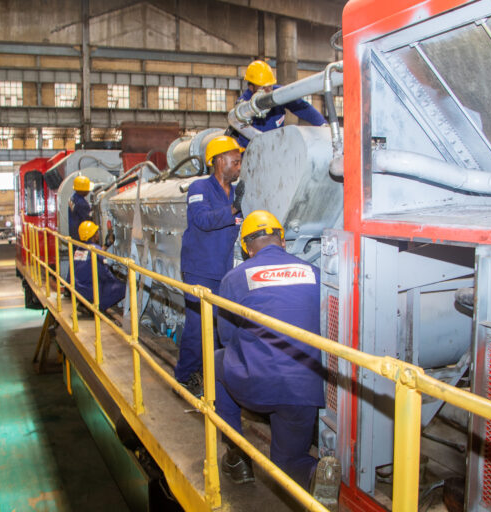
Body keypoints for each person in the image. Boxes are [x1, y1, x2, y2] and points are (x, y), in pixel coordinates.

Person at [214, 210, 340, 510]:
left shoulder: (234, 278)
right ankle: (313, 473)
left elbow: (227, 337)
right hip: (305, 389)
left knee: (217, 360)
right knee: (286, 462)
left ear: (246, 247)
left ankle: (237, 454)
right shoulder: (315, 272)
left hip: (257, 385)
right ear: (282, 240)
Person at [175, 135, 245, 397]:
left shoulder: (237, 191)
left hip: (226, 270)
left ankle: (214, 376)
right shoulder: (199, 189)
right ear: (218, 161)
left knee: (223, 328)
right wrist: (233, 210)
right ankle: (183, 376)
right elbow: (202, 220)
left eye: (240, 162)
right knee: (197, 327)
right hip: (200, 269)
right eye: (234, 161)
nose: (238, 166)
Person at [235, 60, 327, 148]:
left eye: (269, 86)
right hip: (251, 153)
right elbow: (246, 138)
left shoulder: (278, 94)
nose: (268, 91)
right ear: (251, 87)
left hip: (276, 149)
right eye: (263, 88)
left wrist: (322, 124)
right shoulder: (243, 107)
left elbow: (302, 107)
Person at [73, 220, 125, 313]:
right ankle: (97, 308)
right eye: (96, 232)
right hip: (90, 290)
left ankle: (84, 303)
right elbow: (105, 274)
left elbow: (92, 257)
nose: (98, 234)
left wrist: (106, 245)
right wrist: (117, 281)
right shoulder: (95, 249)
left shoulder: (79, 248)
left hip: (78, 289)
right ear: (93, 235)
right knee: (123, 287)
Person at [68, 175, 93, 242]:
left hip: (74, 233)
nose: (88, 191)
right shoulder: (82, 203)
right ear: (82, 190)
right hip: (83, 236)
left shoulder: (73, 197)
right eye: (87, 190)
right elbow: (88, 220)